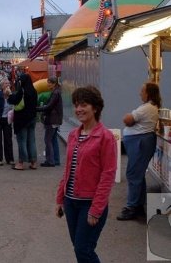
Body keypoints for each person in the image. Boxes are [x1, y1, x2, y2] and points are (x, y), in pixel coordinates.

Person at [56, 86, 117, 263]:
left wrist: (96, 209)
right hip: (70, 202)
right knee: (79, 247)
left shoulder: (105, 137)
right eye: (76, 105)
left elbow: (108, 175)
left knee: (83, 249)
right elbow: (68, 169)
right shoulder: (75, 134)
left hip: (89, 203)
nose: (78, 109)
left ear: (95, 108)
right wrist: (60, 199)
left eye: (83, 105)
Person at [117, 82, 161, 221]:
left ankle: (132, 207)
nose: (140, 93)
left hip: (140, 143)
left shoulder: (147, 108)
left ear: (148, 93)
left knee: (133, 174)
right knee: (137, 174)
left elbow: (128, 119)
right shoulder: (149, 107)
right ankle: (137, 205)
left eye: (142, 91)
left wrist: (128, 116)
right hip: (140, 142)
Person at [8, 73, 38, 170]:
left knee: (22, 141)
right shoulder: (34, 91)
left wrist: (9, 94)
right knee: (31, 141)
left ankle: (21, 163)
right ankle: (33, 162)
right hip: (32, 118)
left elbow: (14, 100)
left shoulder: (22, 91)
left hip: (22, 119)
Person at [37, 77, 63, 167]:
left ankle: (50, 161)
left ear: (54, 83)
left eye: (49, 83)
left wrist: (37, 109)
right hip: (56, 119)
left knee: (47, 140)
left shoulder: (55, 93)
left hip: (52, 119)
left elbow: (49, 106)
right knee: (53, 139)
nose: (47, 84)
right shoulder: (57, 92)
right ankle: (56, 160)